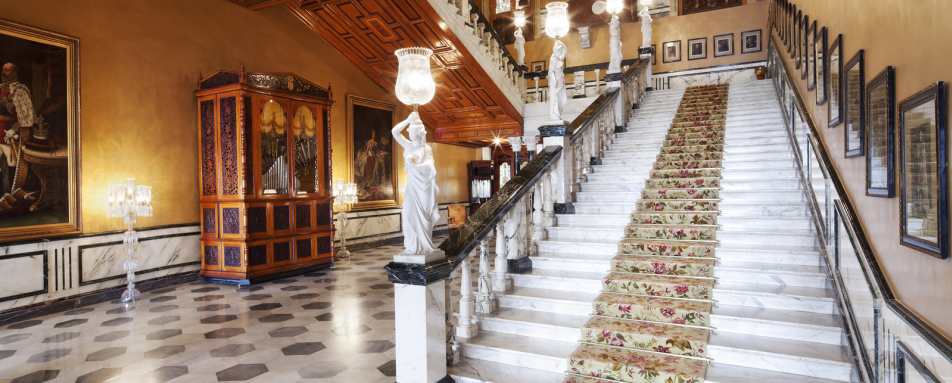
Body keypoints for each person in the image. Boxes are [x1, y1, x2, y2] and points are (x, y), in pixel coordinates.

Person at [391, 111, 439, 256]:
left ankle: (424, 246)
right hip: (412, 187)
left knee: (425, 217)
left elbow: (431, 167)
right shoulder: (408, 145)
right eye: (410, 131)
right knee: (409, 214)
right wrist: (407, 120)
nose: (412, 134)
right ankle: (413, 246)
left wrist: (416, 164)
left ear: (420, 133)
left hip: (424, 188)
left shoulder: (427, 149)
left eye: (414, 131)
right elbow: (395, 132)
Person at [0, 62, 34, 194]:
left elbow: (26, 117)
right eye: (4, 70)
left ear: (15, 73)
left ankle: (9, 197)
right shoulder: (0, 88)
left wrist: (13, 130)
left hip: (10, 135)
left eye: (9, 70)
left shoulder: (20, 91)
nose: (5, 73)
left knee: (10, 167)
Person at [547, 40, 567, 123]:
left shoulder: (560, 59)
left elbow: (565, 51)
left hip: (560, 80)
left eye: (560, 50)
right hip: (555, 82)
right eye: (559, 50)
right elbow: (551, 72)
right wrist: (554, 82)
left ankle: (558, 114)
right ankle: (555, 114)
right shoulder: (553, 59)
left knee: (563, 99)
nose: (560, 52)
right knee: (556, 97)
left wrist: (561, 43)